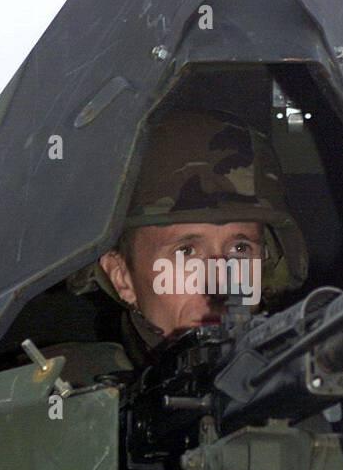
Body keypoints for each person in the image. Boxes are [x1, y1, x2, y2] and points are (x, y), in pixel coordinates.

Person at [68, 110, 309, 371]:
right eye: (186, 252)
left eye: (240, 249)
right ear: (122, 277)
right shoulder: (62, 396)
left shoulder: (299, 379)